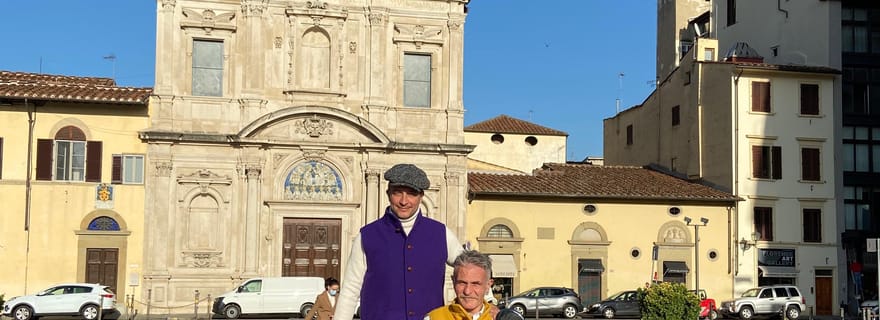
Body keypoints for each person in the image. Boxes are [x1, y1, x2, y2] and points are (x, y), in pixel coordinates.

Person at [334, 164, 464, 320]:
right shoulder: (367, 235)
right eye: (397, 193)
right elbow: (350, 289)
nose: (404, 201)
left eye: (411, 194)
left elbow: (473, 270)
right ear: (388, 194)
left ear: (421, 196)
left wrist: (485, 305)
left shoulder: (441, 234)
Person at [424, 250, 523, 320]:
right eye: (462, 283)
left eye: (476, 284)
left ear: (488, 285)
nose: (467, 291)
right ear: (453, 282)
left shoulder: (500, 318)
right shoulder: (434, 318)